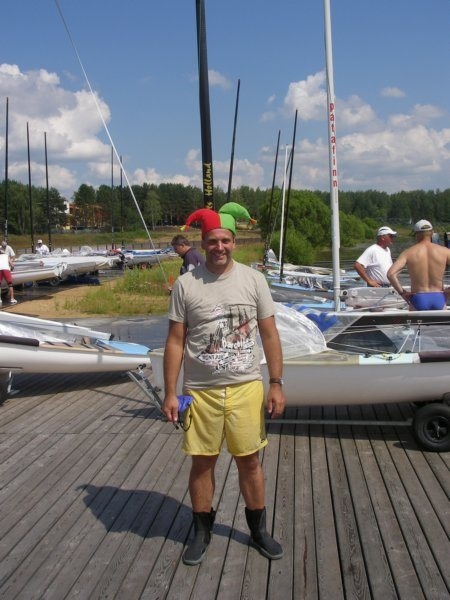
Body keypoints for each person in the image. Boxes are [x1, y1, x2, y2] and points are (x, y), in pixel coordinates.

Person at [162, 202, 285, 566]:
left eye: (226, 240)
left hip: (246, 387)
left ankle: (259, 530)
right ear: (203, 243)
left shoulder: (254, 280)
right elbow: (175, 342)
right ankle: (202, 531)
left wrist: (276, 382)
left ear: (234, 242)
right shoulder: (186, 285)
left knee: (250, 462)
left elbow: (270, 335)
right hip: (200, 392)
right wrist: (170, 392)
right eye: (213, 241)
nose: (220, 247)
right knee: (202, 464)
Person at [388, 219, 450, 310]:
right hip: (439, 296)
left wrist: (402, 293)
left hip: (418, 298)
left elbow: (390, 274)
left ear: (416, 234)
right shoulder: (445, 251)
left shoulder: (408, 252)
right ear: (432, 233)